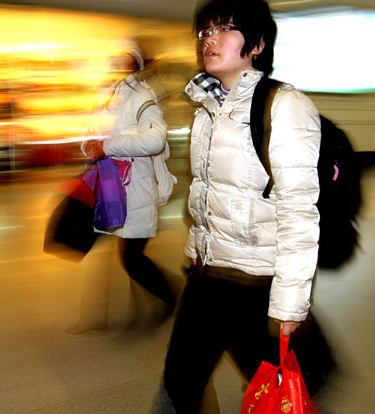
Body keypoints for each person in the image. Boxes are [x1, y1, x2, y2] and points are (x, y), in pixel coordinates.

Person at [154, 0, 322, 411]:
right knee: (180, 386)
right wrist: (196, 251)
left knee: (278, 396)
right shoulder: (207, 108)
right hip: (207, 276)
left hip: (256, 285)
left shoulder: (284, 105)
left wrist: (290, 303)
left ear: (258, 43)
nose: (210, 38)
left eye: (225, 28)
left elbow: (300, 211)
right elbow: (208, 193)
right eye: (205, 31)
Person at [65, 40, 178, 337]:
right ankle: (94, 315)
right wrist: (89, 144)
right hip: (107, 188)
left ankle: (170, 297)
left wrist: (107, 144)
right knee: (98, 252)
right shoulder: (106, 96)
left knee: (132, 258)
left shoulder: (142, 97)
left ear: (135, 64)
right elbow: (90, 132)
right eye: (114, 58)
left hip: (136, 190)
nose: (116, 64)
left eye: (124, 59)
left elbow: (155, 141)